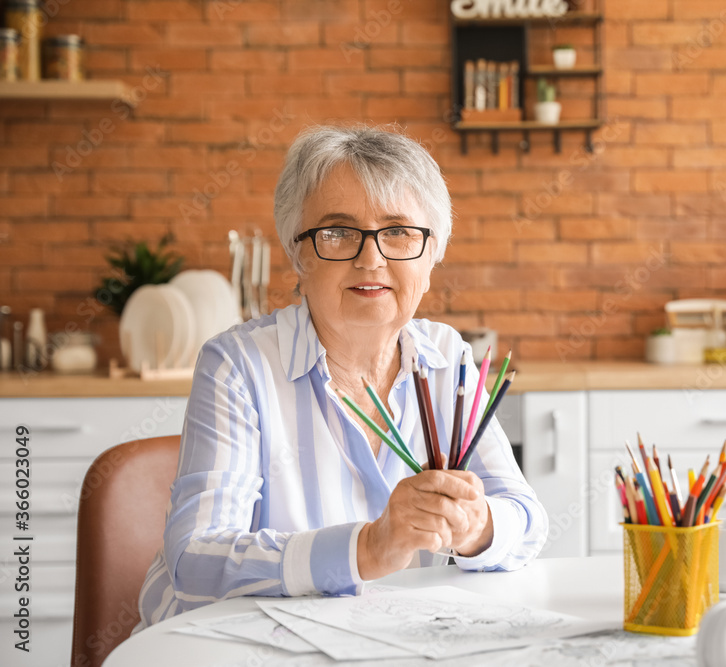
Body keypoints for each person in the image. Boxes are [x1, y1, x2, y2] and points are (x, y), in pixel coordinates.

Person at [136, 125, 547, 630]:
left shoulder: (447, 358)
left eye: (398, 231)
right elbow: (195, 560)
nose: (370, 258)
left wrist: (478, 527)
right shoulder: (238, 365)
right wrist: (368, 548)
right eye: (337, 232)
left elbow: (526, 520)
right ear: (298, 252)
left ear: (432, 254)